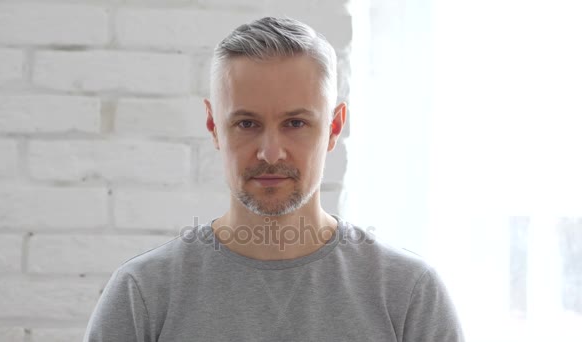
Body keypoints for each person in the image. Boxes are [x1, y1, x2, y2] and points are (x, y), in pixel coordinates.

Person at [84, 16, 465, 341]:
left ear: (333, 128)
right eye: (247, 123)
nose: (270, 152)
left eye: (295, 123)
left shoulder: (409, 295)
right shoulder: (144, 294)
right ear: (214, 127)